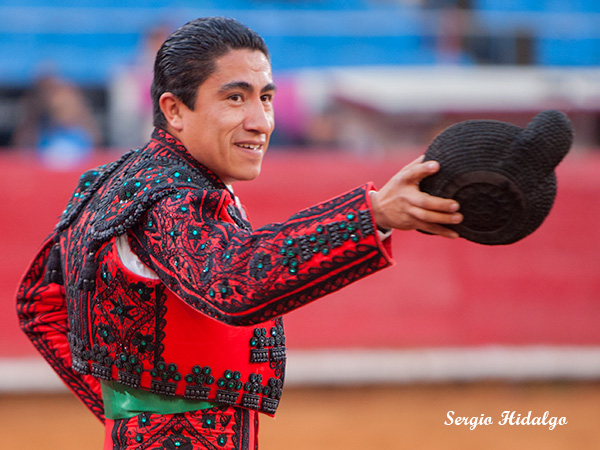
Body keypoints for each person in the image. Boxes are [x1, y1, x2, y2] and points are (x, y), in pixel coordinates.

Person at [16, 17, 462, 450]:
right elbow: (236, 279)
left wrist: (133, 406)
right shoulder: (173, 197)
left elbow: (38, 301)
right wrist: (373, 214)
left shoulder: (116, 179)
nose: (261, 121)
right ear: (174, 110)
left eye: (265, 98)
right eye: (235, 98)